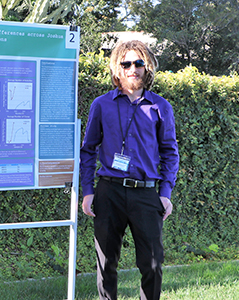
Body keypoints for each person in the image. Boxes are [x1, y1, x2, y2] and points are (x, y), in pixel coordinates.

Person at [80, 40, 179, 300]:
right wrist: (88, 191)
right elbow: (88, 149)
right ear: (117, 69)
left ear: (147, 68)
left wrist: (165, 192)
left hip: (145, 194)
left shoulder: (161, 107)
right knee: (106, 264)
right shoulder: (101, 105)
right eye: (126, 63)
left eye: (138, 63)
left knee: (153, 264)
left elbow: (170, 152)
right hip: (109, 191)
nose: (132, 68)